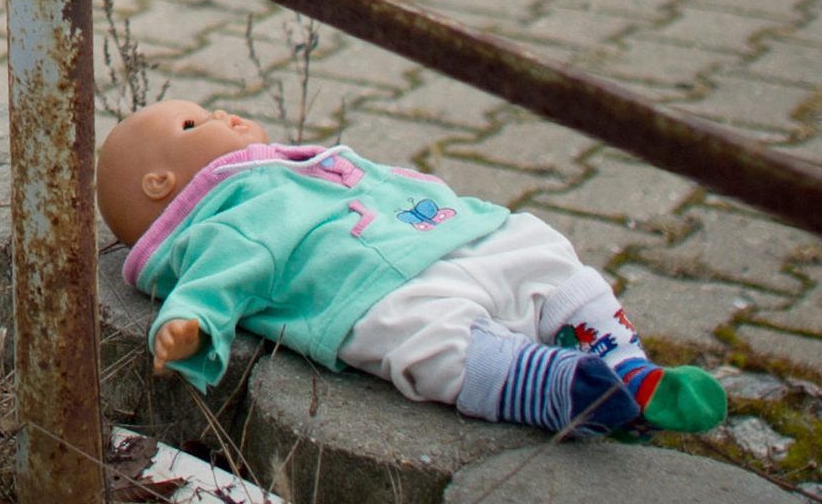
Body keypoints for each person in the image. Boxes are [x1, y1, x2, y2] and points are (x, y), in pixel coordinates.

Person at [99, 99, 728, 440]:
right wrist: (189, 324)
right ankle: (557, 387)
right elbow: (213, 280)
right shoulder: (231, 215)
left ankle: (628, 367)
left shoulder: (286, 165)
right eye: (194, 122)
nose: (223, 114)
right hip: (378, 293)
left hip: (450, 238)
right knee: (430, 345)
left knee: (541, 250)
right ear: (161, 183)